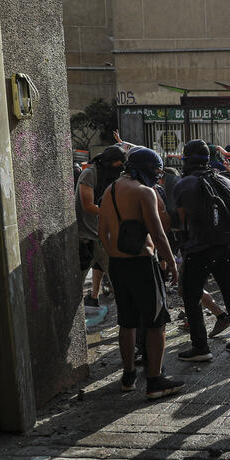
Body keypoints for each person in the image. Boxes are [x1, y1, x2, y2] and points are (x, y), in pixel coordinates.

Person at [97, 147, 183, 399]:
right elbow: (157, 233)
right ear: (145, 169)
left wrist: (114, 252)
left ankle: (128, 376)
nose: (157, 177)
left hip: (117, 263)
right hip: (142, 264)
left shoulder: (109, 190)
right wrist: (172, 262)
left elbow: (102, 231)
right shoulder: (144, 192)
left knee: (127, 321)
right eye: (156, 172)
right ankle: (155, 381)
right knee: (156, 322)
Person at [172, 140, 230, 361]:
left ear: (186, 160)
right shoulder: (225, 181)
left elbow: (180, 222)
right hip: (224, 248)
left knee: (191, 297)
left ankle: (201, 348)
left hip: (197, 250)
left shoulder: (182, 185)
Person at [76, 145, 125, 307]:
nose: (119, 170)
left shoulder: (114, 177)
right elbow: (88, 206)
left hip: (105, 238)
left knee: (120, 282)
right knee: (76, 287)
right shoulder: (89, 174)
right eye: (117, 166)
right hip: (86, 238)